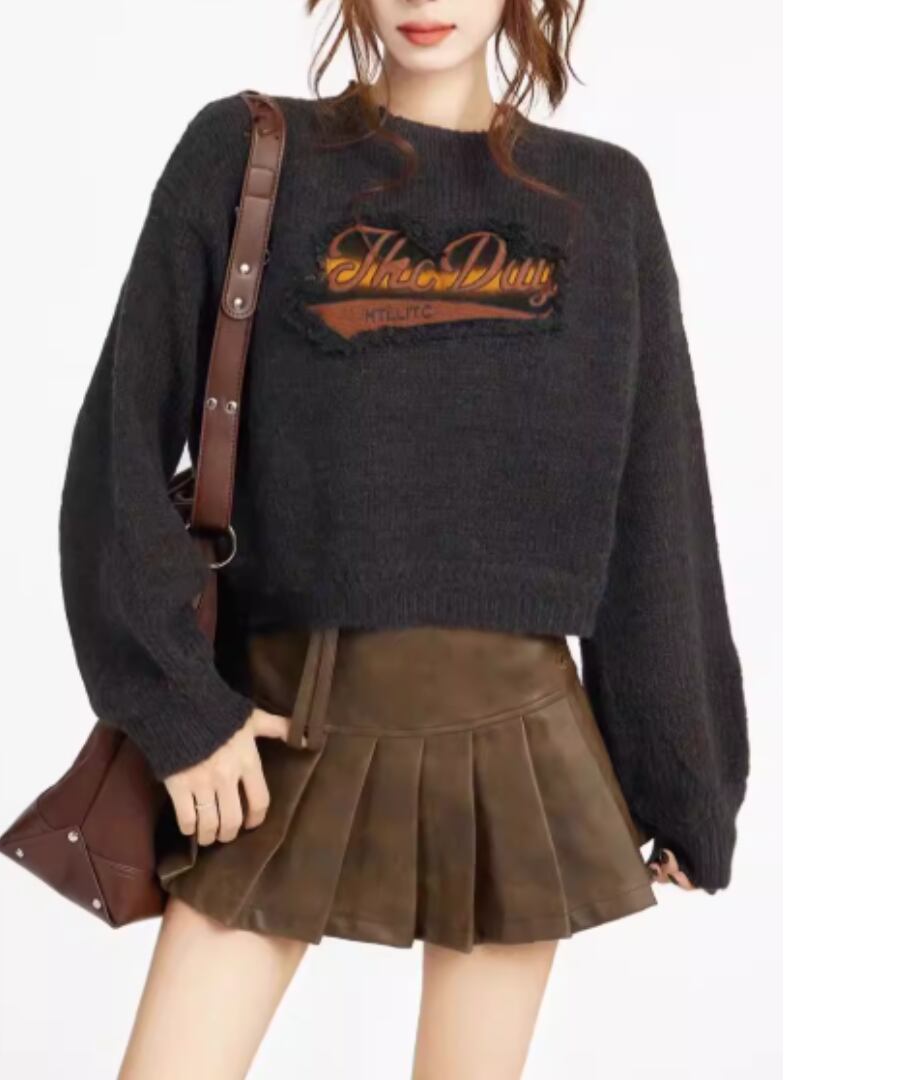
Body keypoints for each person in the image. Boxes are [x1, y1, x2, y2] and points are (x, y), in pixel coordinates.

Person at [58, 2, 750, 1077]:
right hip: (276, 736)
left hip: (517, 744)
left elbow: (656, 506)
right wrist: (181, 713)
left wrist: (686, 780)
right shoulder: (246, 154)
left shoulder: (602, 198)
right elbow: (116, 456)